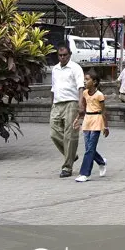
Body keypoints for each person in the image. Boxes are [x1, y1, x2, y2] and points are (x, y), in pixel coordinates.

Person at [49, 42, 85, 178]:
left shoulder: (75, 68)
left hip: (71, 102)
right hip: (57, 103)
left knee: (70, 135)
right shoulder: (55, 69)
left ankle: (67, 167)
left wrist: (80, 104)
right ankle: (71, 154)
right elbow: (53, 87)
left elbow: (80, 87)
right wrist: (51, 103)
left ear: (69, 55)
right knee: (53, 133)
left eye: (65, 55)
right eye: (60, 55)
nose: (62, 57)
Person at [73, 68, 108, 183]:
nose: (84, 82)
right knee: (89, 148)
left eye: (87, 80)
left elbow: (103, 111)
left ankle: (85, 173)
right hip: (87, 121)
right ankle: (101, 162)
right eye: (84, 79)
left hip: (97, 121)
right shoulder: (84, 93)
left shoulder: (99, 95)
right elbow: (82, 109)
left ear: (94, 82)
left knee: (90, 148)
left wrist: (106, 127)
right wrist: (77, 119)